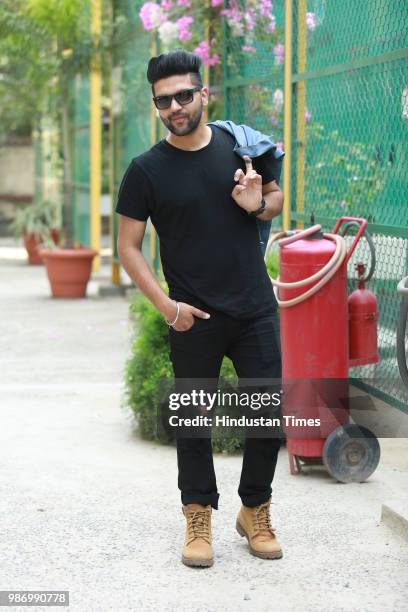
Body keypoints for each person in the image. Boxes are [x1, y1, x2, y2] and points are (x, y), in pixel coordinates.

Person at [115, 49, 285, 568]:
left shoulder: (241, 149)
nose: (175, 107)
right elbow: (127, 246)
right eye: (163, 101)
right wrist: (168, 308)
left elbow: (275, 199)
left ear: (203, 93)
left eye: (184, 95)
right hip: (193, 317)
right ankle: (197, 516)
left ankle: (253, 509)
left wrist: (256, 203)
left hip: (255, 309)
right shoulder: (145, 170)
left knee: (268, 419)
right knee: (193, 425)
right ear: (157, 106)